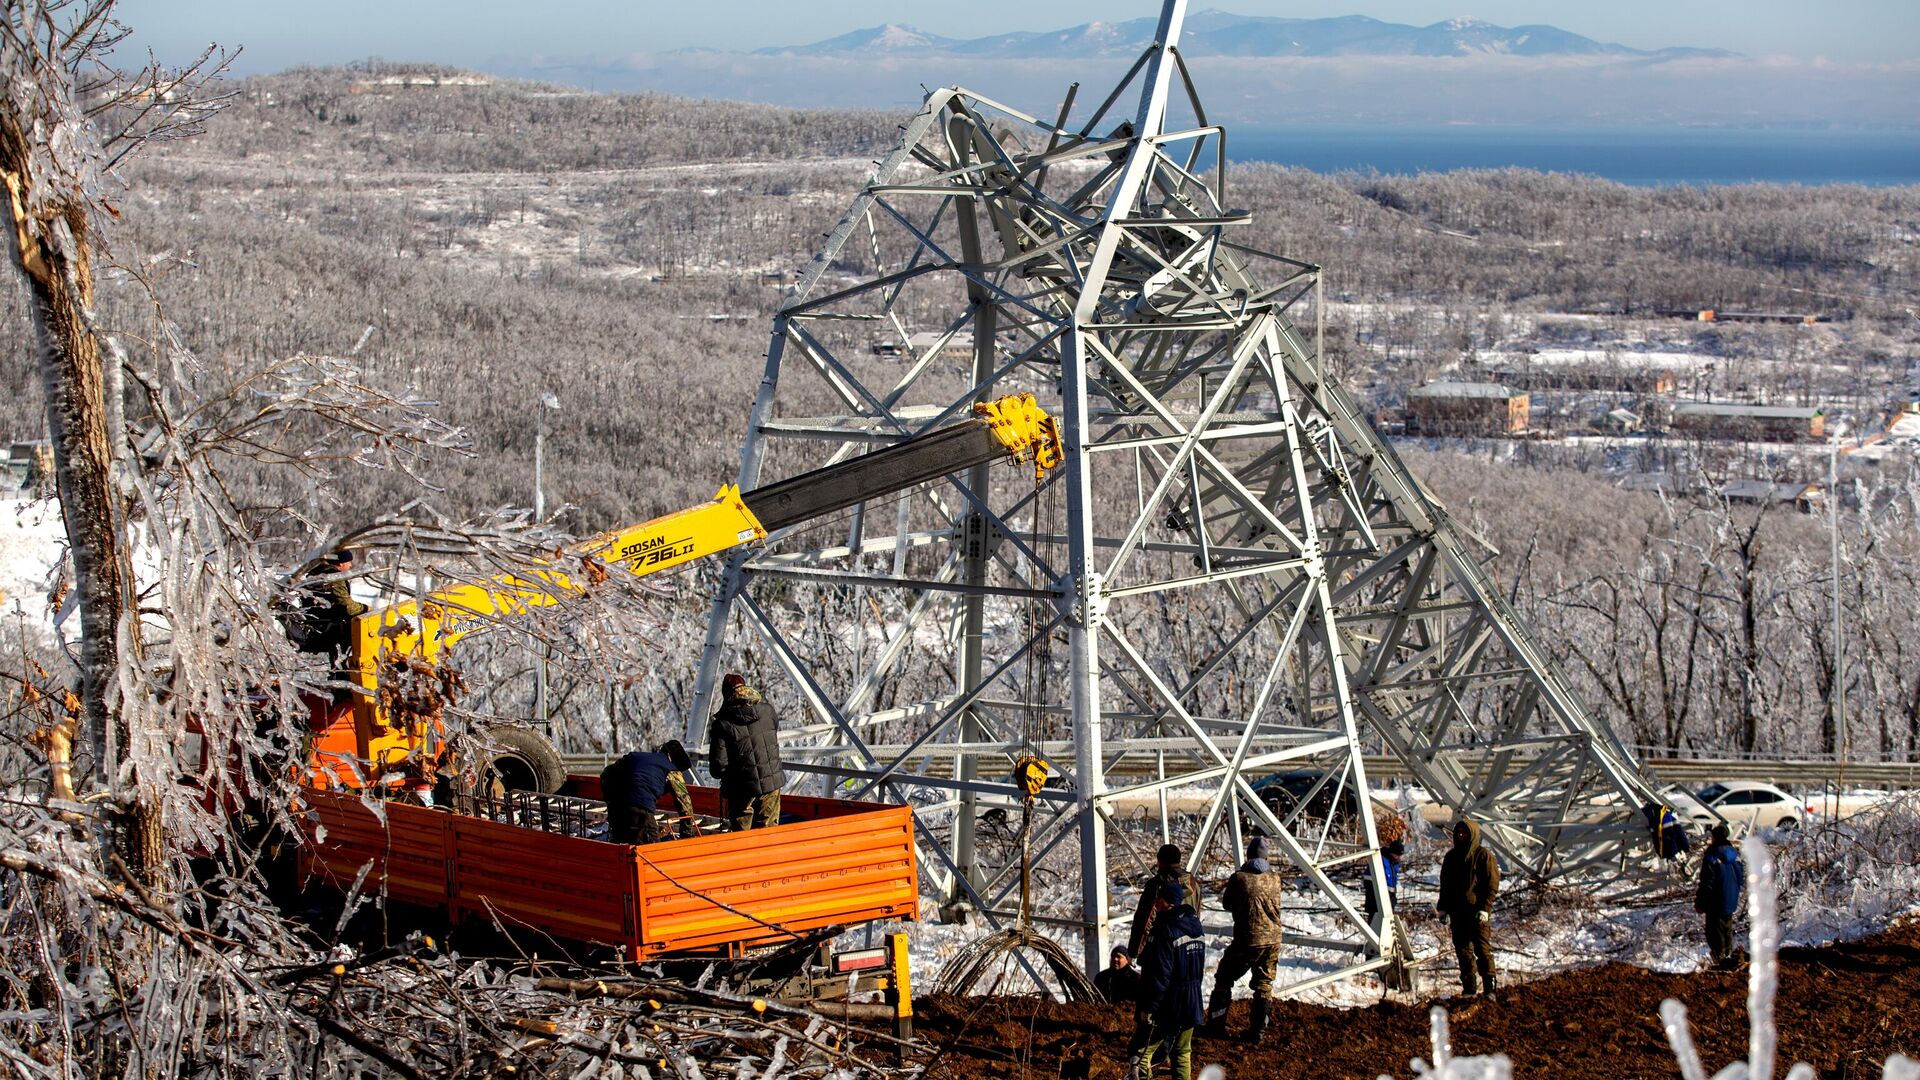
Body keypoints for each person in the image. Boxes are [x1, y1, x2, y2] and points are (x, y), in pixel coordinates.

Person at [1204, 836, 1284, 1042]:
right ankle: (1258, 1032)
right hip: (1274, 938)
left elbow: (1228, 903)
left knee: (1224, 978)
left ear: (1248, 856)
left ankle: (1215, 1026)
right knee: (1264, 984)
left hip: (1249, 938)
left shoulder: (1239, 878)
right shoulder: (1275, 878)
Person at [1128, 882, 1206, 1080]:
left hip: (1170, 1004)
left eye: (1159, 900)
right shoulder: (1196, 928)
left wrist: (1150, 1008)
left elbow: (1160, 974)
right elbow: (1199, 967)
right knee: (1182, 1052)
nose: (1155, 904)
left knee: (1141, 1053)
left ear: (1168, 903)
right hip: (1192, 1000)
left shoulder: (1165, 930)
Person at [709, 672, 785, 830]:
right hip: (771, 783)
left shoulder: (722, 723)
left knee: (743, 838)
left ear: (726, 693)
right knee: (769, 834)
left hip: (741, 790)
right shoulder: (768, 711)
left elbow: (719, 766)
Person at [1437, 818, 1501, 1000]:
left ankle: (1490, 989)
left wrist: (1485, 909)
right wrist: (1443, 908)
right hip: (1458, 913)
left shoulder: (1483, 856)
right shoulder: (1451, 857)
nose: (1461, 836)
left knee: (1482, 950)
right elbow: (1445, 885)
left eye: (1465, 833)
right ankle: (1469, 989)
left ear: (1472, 835)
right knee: (1463, 951)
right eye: (1459, 833)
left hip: (1476, 912)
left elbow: (1492, 885)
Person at [599, 741, 699, 844]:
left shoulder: (636, 757)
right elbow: (684, 803)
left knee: (619, 846)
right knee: (652, 851)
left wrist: (612, 803)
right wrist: (687, 833)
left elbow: (607, 774)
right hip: (640, 812)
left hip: (617, 810)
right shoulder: (672, 770)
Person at [1128, 843, 1204, 957]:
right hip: (1188, 946)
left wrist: (1134, 951)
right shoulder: (1193, 883)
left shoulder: (1157, 885)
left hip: (1163, 947)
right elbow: (1196, 913)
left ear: (1159, 861)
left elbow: (1144, 920)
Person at [294, 549, 367, 660]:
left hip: (315, 624)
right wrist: (366, 609)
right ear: (341, 563)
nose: (350, 565)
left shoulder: (314, 573)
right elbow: (347, 605)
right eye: (349, 562)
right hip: (330, 628)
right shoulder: (334, 577)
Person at [1695, 823, 1745, 969]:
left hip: (1715, 900)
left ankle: (1721, 960)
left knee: (1714, 930)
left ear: (1715, 837)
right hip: (1731, 897)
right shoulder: (1735, 855)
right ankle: (1728, 955)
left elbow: (1707, 882)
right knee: (1726, 926)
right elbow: (1740, 878)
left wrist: (1701, 901)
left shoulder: (1711, 856)